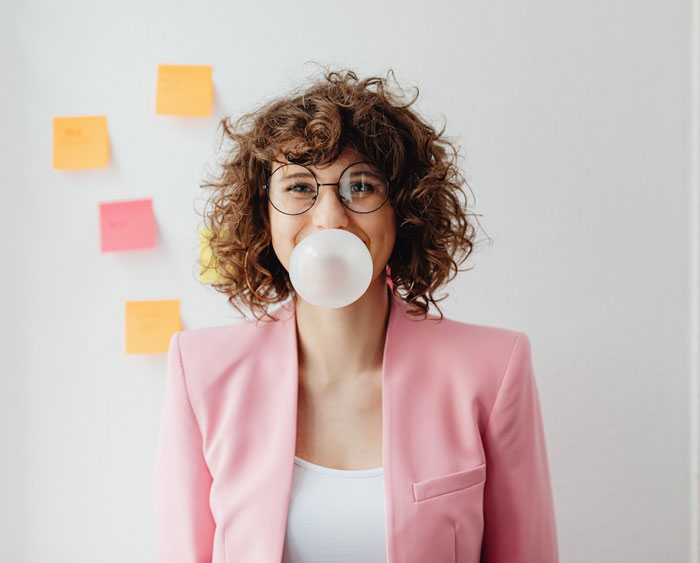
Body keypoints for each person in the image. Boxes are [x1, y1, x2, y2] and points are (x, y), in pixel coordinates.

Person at [153, 67, 559, 563]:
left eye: (361, 185)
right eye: (300, 187)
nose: (329, 218)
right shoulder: (200, 370)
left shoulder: (494, 370)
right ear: (265, 214)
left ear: (404, 209)